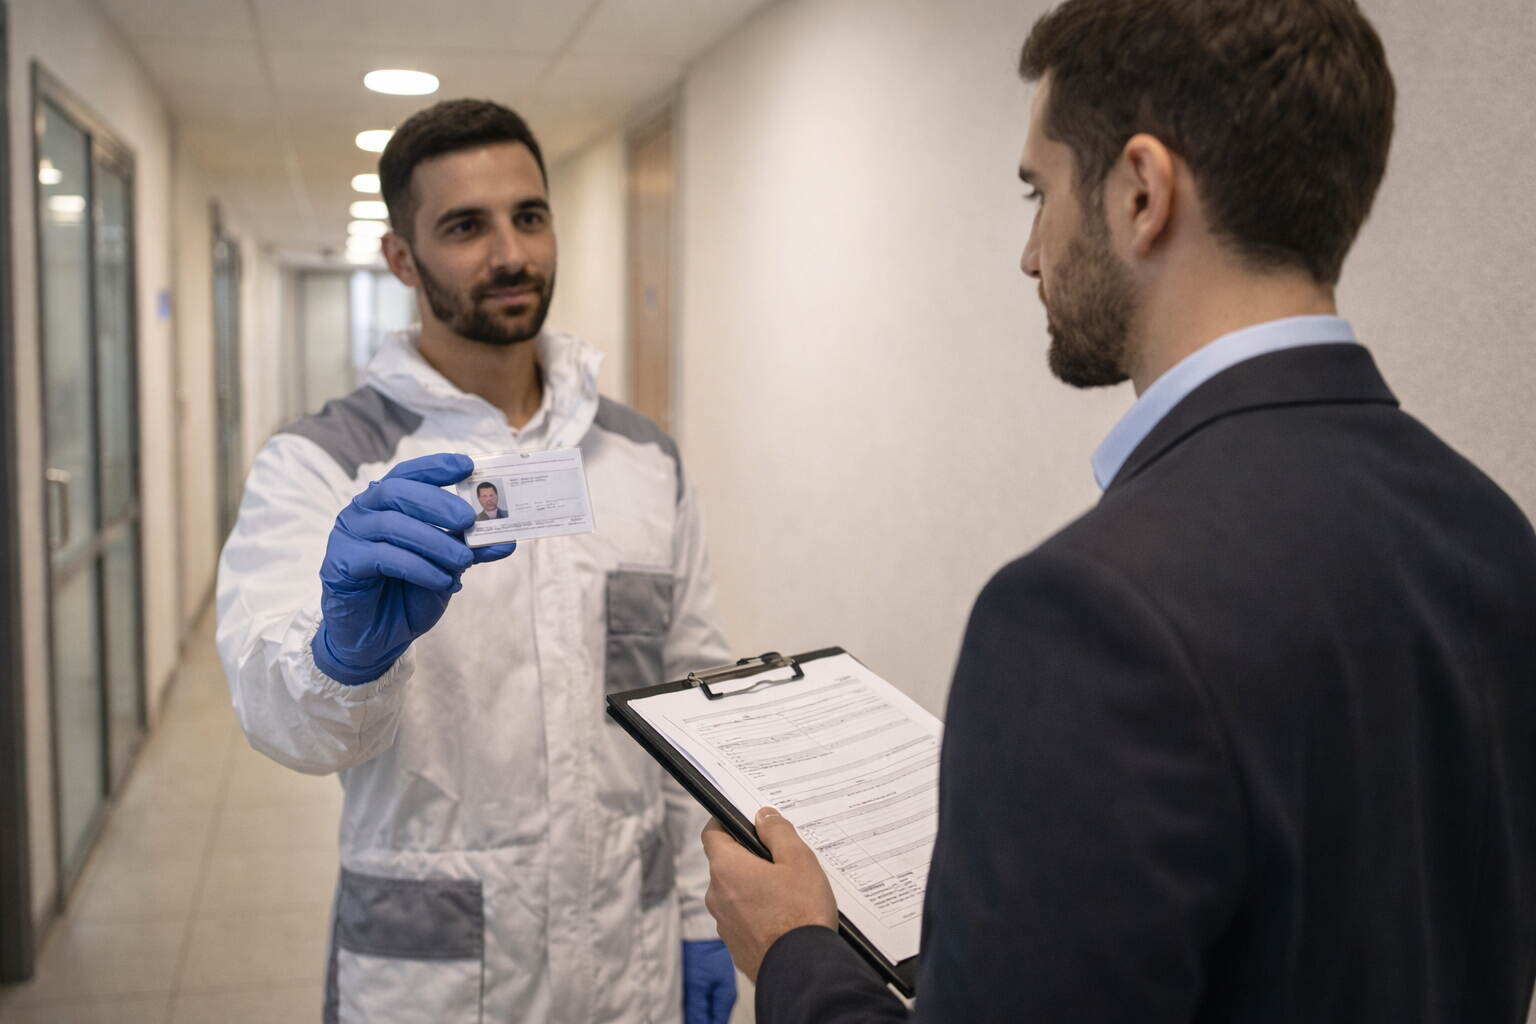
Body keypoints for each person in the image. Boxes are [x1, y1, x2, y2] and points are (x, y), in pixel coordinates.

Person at [700, 1, 1536, 1022]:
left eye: (1037, 192)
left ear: (1142, 192)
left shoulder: (1086, 614)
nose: (1030, 253)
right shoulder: (1491, 534)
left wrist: (794, 953)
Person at [216, 99, 737, 1024]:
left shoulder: (641, 460)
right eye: (466, 226)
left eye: (529, 216)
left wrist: (700, 912)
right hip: (434, 984)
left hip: (631, 955)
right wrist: (342, 659)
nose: (512, 254)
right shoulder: (323, 463)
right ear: (401, 259)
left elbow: (689, 699)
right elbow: (278, 717)